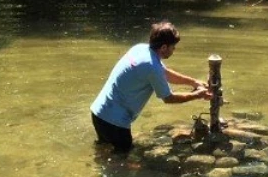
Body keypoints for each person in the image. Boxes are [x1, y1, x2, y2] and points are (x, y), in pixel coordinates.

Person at [90, 21, 209, 153]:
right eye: (173, 47)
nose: (174, 50)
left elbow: (165, 73)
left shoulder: (140, 49)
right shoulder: (152, 67)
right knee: (122, 160)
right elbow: (168, 98)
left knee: (103, 150)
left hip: (98, 112)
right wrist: (197, 95)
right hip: (115, 122)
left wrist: (193, 82)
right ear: (164, 47)